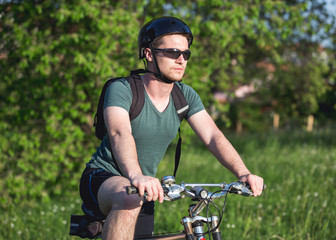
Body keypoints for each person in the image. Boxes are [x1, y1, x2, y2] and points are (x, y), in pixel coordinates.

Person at [79, 16, 264, 240]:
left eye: (185, 54)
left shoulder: (184, 96)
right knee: (129, 199)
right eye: (172, 52)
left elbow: (213, 136)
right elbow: (120, 132)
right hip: (104, 177)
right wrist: (136, 175)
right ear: (149, 54)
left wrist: (243, 173)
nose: (181, 60)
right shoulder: (123, 89)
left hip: (144, 188)